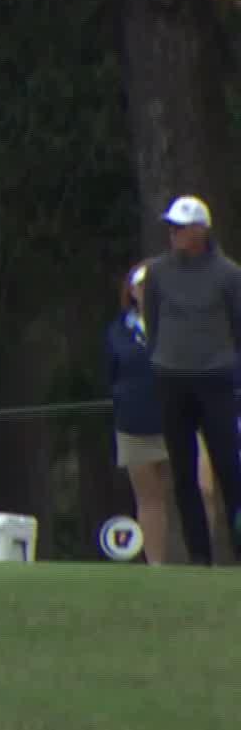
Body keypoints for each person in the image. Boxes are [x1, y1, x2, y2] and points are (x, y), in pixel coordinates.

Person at [142, 195, 241, 566]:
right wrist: (161, 358)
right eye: (171, 227)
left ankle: (238, 547)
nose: (174, 234)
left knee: (229, 470)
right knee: (183, 473)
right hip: (172, 380)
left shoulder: (229, 274)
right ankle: (199, 556)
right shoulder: (159, 272)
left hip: (215, 380)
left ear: (201, 230)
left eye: (181, 228)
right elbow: (152, 321)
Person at [108, 262, 173, 563]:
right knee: (149, 497)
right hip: (135, 421)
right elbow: (112, 371)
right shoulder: (120, 329)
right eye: (141, 285)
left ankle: (202, 559)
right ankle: (156, 566)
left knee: (204, 490)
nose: (147, 290)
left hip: (181, 418)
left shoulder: (179, 322)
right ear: (132, 291)